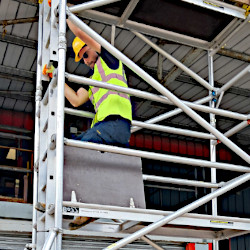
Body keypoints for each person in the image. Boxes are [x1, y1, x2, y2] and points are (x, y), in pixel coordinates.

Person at [65, 19, 132, 230]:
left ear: (92, 48)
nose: (85, 61)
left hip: (115, 126)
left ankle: (94, 208)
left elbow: (81, 32)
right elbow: (75, 100)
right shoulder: (93, 79)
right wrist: (55, 76)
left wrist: (63, 12)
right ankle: (102, 206)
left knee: (78, 147)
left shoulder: (111, 61)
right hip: (107, 129)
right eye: (81, 59)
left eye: (85, 54)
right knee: (78, 147)